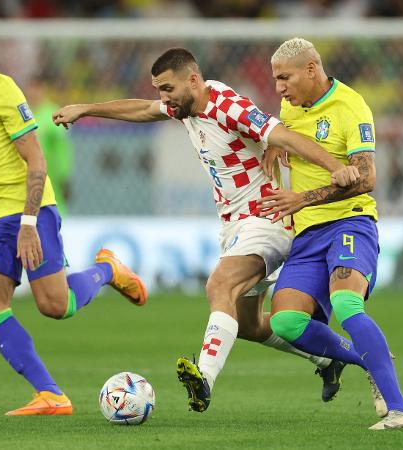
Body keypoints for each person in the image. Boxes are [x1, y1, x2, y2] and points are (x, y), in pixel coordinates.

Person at [52, 48, 360, 413]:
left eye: (167, 88)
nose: (163, 98)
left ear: (193, 80)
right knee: (247, 325)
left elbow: (283, 136)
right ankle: (328, 360)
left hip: (267, 216)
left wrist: (335, 166)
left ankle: (205, 379)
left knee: (219, 286)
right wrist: (85, 109)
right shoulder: (186, 105)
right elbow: (142, 110)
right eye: (159, 89)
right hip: (234, 224)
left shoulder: (227, 105)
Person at [0, 11, 147, 416]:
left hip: (32, 208)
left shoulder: (3, 89)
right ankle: (51, 395)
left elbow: (36, 160)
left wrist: (28, 224)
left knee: (55, 306)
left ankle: (108, 271)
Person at [257, 38, 403, 430]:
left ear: (312, 69)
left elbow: (367, 178)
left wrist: (303, 197)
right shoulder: (289, 106)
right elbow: (288, 135)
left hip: (350, 221)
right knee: (285, 324)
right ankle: (371, 358)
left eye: (285, 77)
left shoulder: (351, 108)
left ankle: (401, 411)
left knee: (347, 307)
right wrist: (274, 146)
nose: (278, 87)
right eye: (275, 79)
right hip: (308, 233)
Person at [26, 77, 74, 217]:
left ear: (44, 90)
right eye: (31, 88)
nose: (34, 93)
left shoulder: (52, 114)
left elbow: (62, 148)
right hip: (28, 173)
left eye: (37, 88)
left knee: (54, 206)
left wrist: (65, 175)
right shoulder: (24, 113)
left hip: (51, 173)